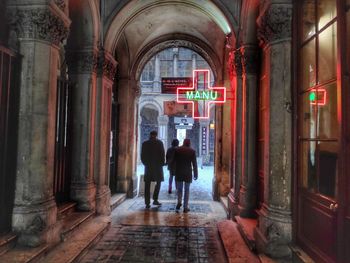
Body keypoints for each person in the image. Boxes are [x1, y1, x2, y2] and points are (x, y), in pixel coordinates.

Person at [141, 130, 165, 209]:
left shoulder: (145, 143)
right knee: (158, 183)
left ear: (150, 135)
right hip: (158, 167)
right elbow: (162, 154)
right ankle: (155, 199)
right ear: (156, 135)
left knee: (147, 185)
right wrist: (161, 164)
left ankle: (147, 203)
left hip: (148, 167)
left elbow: (142, 156)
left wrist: (146, 164)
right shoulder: (160, 143)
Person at [174, 138, 198, 213]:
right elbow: (194, 164)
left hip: (179, 171)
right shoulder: (192, 151)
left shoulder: (177, 150)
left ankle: (179, 202)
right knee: (187, 190)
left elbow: (174, 161)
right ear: (189, 143)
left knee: (179, 189)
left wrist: (173, 171)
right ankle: (185, 207)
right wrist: (195, 174)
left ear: (183, 142)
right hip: (187, 172)